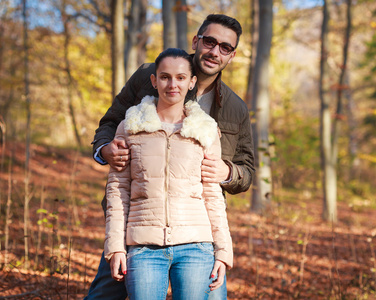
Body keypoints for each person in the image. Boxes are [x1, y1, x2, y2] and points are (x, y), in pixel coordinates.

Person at [85, 14, 254, 300]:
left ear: (232, 55)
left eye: (225, 47)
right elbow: (110, 123)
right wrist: (105, 150)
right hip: (140, 220)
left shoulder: (235, 109)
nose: (215, 51)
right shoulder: (149, 75)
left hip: (196, 227)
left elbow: (247, 169)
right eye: (210, 41)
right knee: (105, 293)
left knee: (213, 295)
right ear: (196, 40)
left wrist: (227, 173)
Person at [104, 48, 233, 300]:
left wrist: (223, 250)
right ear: (154, 80)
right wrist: (116, 248)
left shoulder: (205, 130)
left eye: (181, 77)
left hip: (196, 246)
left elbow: (212, 195)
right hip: (143, 248)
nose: (172, 84)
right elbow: (118, 192)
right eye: (165, 77)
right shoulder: (130, 127)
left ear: (191, 82)